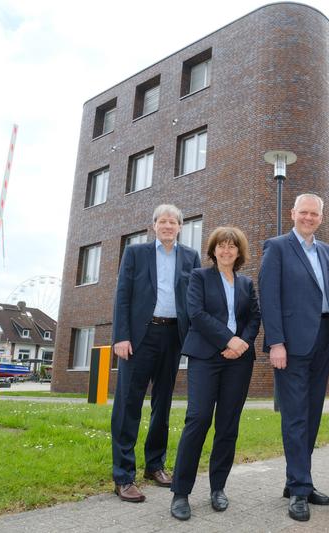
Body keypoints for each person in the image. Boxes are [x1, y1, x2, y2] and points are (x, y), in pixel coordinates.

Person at [258, 193, 329, 522]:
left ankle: (299, 480)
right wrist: (276, 342)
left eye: (315, 214)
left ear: (321, 218)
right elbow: (268, 297)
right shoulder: (277, 247)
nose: (309, 218)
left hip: (325, 340)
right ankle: (299, 489)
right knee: (295, 416)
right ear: (293, 213)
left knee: (311, 415)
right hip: (292, 345)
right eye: (304, 212)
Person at [110, 203, 201, 503]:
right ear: (153, 226)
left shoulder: (190, 257)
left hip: (173, 336)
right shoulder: (136, 253)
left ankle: (155, 465)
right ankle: (123, 476)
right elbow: (123, 295)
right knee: (128, 405)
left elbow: (195, 299)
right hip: (140, 337)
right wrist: (121, 336)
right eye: (162, 221)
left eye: (173, 222)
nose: (167, 226)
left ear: (180, 227)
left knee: (162, 405)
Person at [169, 227, 261, 520]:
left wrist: (241, 343)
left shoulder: (246, 283)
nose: (226, 250)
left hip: (239, 360)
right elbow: (196, 313)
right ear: (213, 250)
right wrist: (227, 339)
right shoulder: (199, 277)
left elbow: (254, 316)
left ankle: (218, 488)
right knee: (197, 419)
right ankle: (181, 492)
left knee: (228, 425)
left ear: (239, 252)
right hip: (206, 357)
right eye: (221, 246)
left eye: (232, 246)